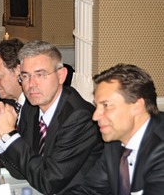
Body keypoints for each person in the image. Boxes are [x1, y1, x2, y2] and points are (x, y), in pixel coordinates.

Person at [0, 40, 103, 194]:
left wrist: (9, 134)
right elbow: (21, 170)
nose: (31, 84)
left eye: (40, 74)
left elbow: (49, 181)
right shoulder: (32, 108)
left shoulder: (79, 117)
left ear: (61, 75)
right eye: (25, 76)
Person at [65, 64, 164, 195]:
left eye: (106, 105)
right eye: (97, 106)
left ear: (137, 106)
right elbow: (89, 190)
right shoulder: (116, 143)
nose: (95, 116)